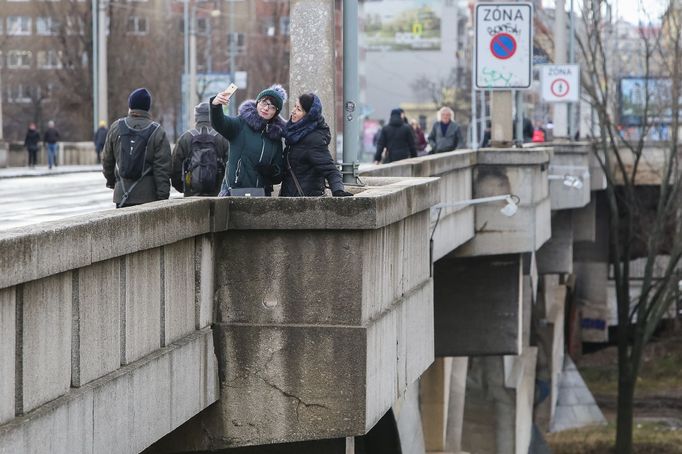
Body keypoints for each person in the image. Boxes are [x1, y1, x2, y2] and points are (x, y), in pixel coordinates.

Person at [210, 84, 285, 196]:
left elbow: (278, 175)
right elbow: (220, 123)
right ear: (257, 102)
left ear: (276, 113)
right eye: (264, 102)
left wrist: (271, 171)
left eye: (272, 107)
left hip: (262, 197)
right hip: (233, 193)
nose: (266, 108)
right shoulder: (240, 124)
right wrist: (215, 106)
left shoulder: (275, 138)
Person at [102, 88, 172, 208]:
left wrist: (112, 182)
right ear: (147, 107)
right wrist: (163, 198)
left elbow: (107, 160)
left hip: (122, 194)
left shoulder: (116, 127)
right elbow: (163, 169)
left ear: (130, 105)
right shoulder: (157, 131)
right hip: (148, 197)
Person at [280, 93, 351, 197]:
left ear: (308, 116)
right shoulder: (294, 134)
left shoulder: (312, 139)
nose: (293, 111)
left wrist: (338, 191)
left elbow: (330, 169)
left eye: (299, 109)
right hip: (290, 198)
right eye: (295, 106)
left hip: (305, 203)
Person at [171, 102, 229, 196]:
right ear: (212, 116)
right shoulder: (223, 137)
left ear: (196, 117)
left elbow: (175, 169)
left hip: (191, 195)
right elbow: (230, 167)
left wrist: (185, 188)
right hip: (217, 195)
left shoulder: (185, 138)